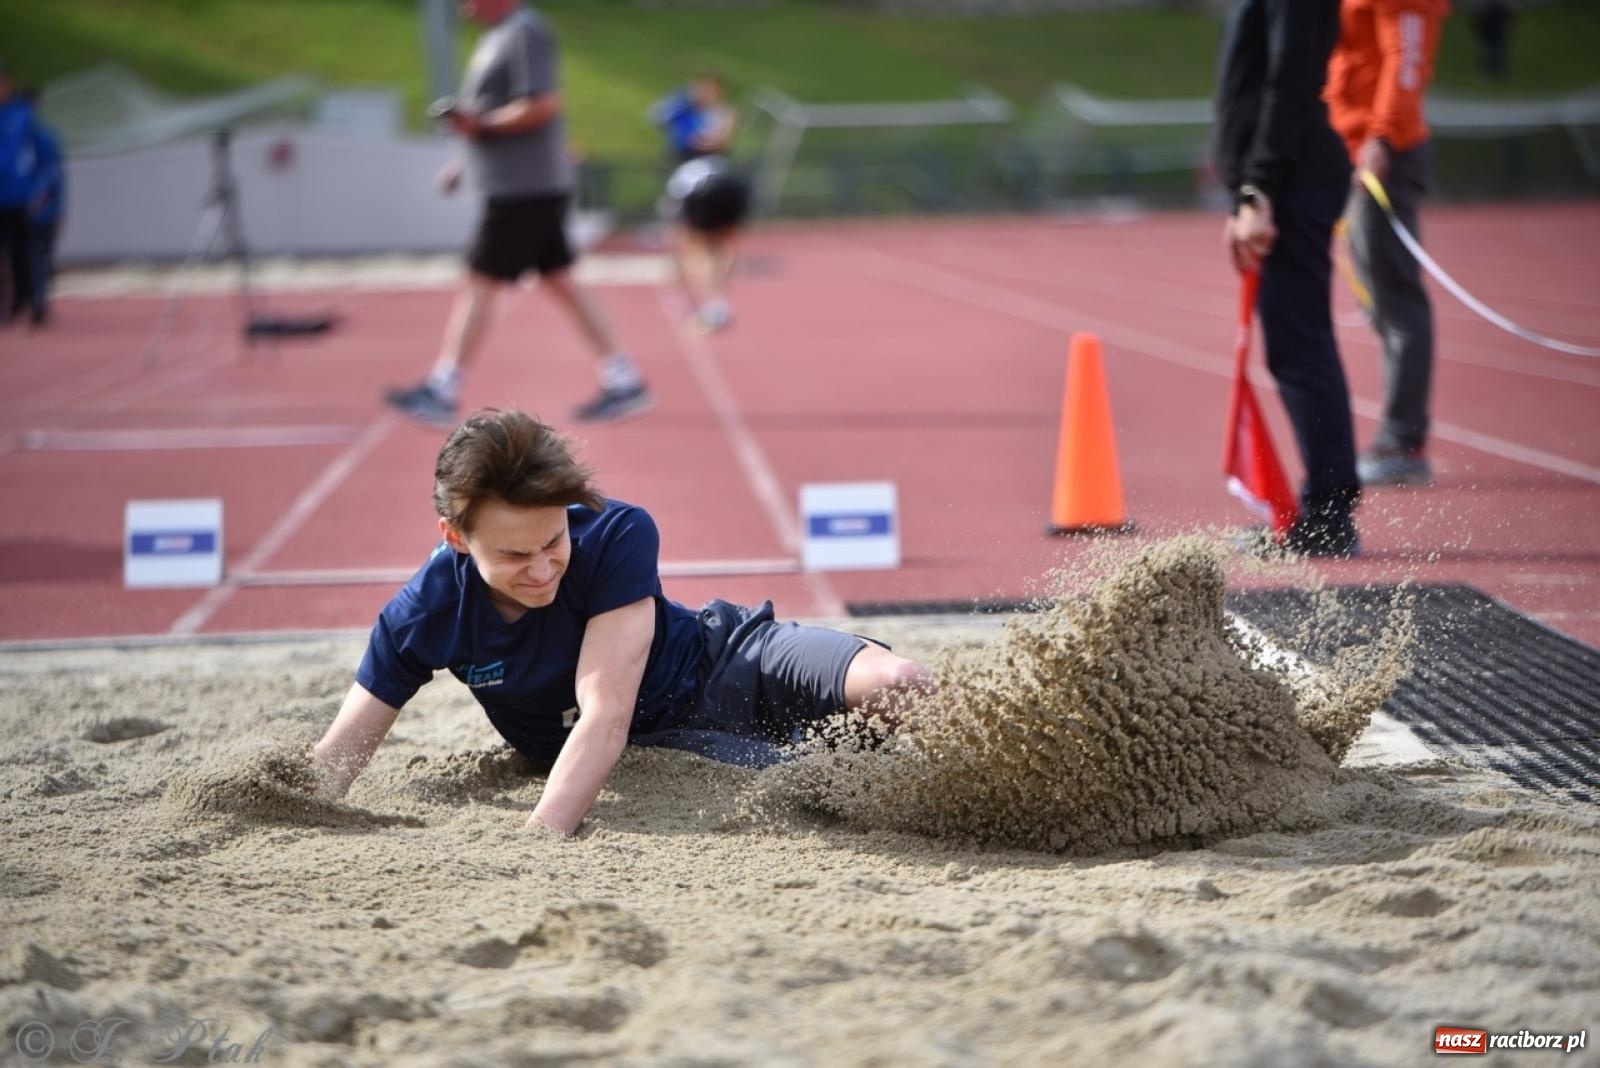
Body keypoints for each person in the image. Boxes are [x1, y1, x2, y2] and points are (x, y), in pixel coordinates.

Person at [310, 408, 932, 835]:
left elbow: (603, 709)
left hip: (721, 663)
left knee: (901, 684)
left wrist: (537, 838)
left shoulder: (617, 532)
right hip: (655, 747)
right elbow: (336, 761)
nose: (541, 569)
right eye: (513, 555)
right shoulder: (423, 613)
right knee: (845, 786)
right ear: (456, 538)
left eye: (553, 541)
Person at [386, 0, 651, 428]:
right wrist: (468, 158)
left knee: (479, 280)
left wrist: (481, 128)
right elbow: (491, 113)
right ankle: (625, 379)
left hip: (523, 188)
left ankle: (443, 388)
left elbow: (541, 104)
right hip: (522, 184)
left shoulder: (524, 30)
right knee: (559, 280)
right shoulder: (498, 35)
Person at [1213, 0, 1362, 557]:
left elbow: (1290, 81)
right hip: (1284, 180)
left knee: (1300, 347)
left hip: (1293, 181)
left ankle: (1329, 513)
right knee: (1295, 347)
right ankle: (1324, 504)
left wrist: (1258, 189)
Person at [1327, 0, 1451, 488]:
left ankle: (1403, 441)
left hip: (1384, 155)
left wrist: (1380, 137)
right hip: (1355, 147)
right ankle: (1401, 434)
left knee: (1397, 301)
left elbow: (1407, 58)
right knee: (1383, 301)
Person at [650, 74, 749, 334]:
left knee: (693, 245)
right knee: (715, 246)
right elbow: (657, 116)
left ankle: (712, 303)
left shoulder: (713, 114)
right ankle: (714, 302)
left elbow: (714, 140)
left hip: (697, 181)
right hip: (722, 177)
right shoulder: (685, 111)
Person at [10, 87, 64, 327]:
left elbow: (54, 174)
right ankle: (21, 299)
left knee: (36, 255)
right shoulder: (11, 137)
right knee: (17, 256)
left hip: (38, 207)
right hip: (14, 204)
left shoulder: (43, 138)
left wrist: (50, 204)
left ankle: (38, 301)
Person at [0, 63, 41, 328]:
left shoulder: (21, 114)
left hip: (17, 197)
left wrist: (36, 188)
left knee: (21, 252)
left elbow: (37, 153)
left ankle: (27, 300)